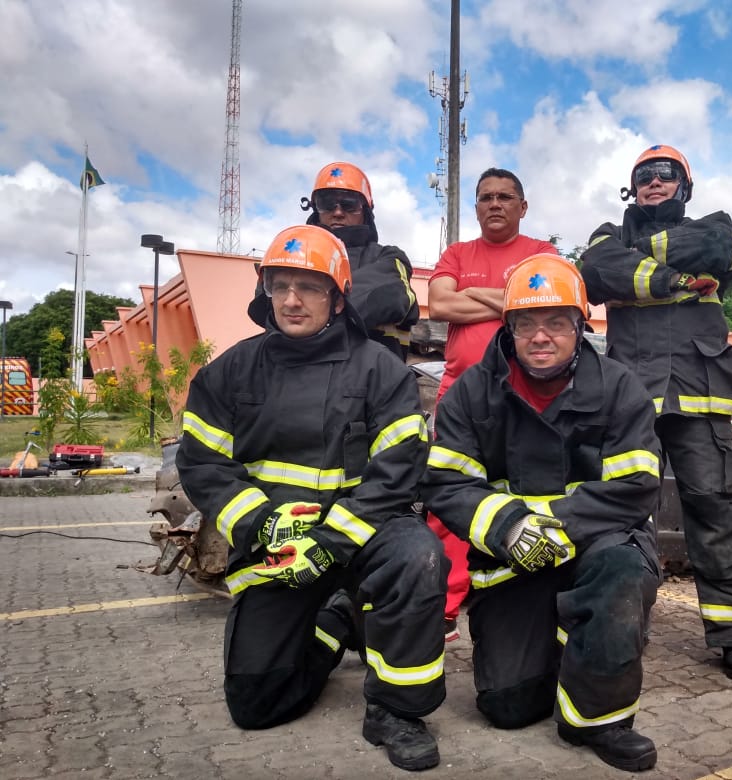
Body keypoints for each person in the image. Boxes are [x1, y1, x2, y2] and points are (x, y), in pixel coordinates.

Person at [177, 225, 447, 772]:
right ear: (265, 292)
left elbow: (397, 470)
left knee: (418, 557)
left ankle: (397, 710)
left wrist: (331, 540)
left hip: (366, 531)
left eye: (310, 287)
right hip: (275, 538)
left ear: (338, 297)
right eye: (281, 286)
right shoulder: (229, 371)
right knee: (257, 704)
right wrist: (260, 523)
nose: (293, 300)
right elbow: (203, 462)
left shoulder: (380, 369)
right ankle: (336, 623)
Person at [423, 254, 662, 772]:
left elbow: (638, 485)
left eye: (557, 322)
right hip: (513, 560)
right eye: (526, 322)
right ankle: (565, 647)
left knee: (622, 570)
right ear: (507, 328)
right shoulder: (473, 391)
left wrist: (557, 525)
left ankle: (601, 720)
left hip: (594, 551)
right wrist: (511, 527)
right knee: (508, 707)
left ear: (580, 327)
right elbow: (446, 481)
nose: (541, 336)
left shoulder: (619, 387)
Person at [580, 144, 732, 681]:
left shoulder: (716, 225)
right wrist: (677, 279)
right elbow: (596, 271)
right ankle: (622, 625)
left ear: (683, 185)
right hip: (630, 399)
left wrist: (640, 266)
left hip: (698, 395)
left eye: (664, 175)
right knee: (625, 512)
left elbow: (710, 245)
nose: (653, 183)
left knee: (715, 509)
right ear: (631, 188)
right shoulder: (605, 236)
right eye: (643, 177)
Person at [426, 168, 558, 639]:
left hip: (524, 394)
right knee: (447, 495)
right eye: (485, 198)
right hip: (458, 393)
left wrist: (470, 293)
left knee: (518, 489)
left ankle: (512, 590)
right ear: (477, 206)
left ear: (523, 207)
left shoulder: (542, 254)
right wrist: (505, 300)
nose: (494, 204)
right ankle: (443, 604)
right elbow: (438, 305)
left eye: (505, 197)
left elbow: (541, 304)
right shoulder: (457, 252)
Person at [300, 161, 419, 360]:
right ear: (315, 209)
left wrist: (309, 304)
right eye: (327, 203)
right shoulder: (297, 254)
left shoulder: (390, 257)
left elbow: (392, 296)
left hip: (374, 383)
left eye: (349, 204)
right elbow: (269, 299)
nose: (338, 212)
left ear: (366, 210)